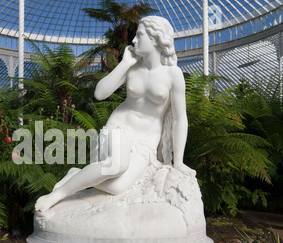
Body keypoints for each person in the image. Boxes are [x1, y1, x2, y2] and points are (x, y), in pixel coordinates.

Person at [35, 16, 195, 213]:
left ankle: (77, 174)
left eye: (139, 35)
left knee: (118, 186)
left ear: (156, 39)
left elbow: (180, 119)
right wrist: (125, 63)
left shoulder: (173, 74)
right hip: (120, 127)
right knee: (115, 165)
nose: (134, 41)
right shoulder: (132, 68)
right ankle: (58, 194)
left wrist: (178, 161)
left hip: (146, 140)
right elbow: (100, 93)